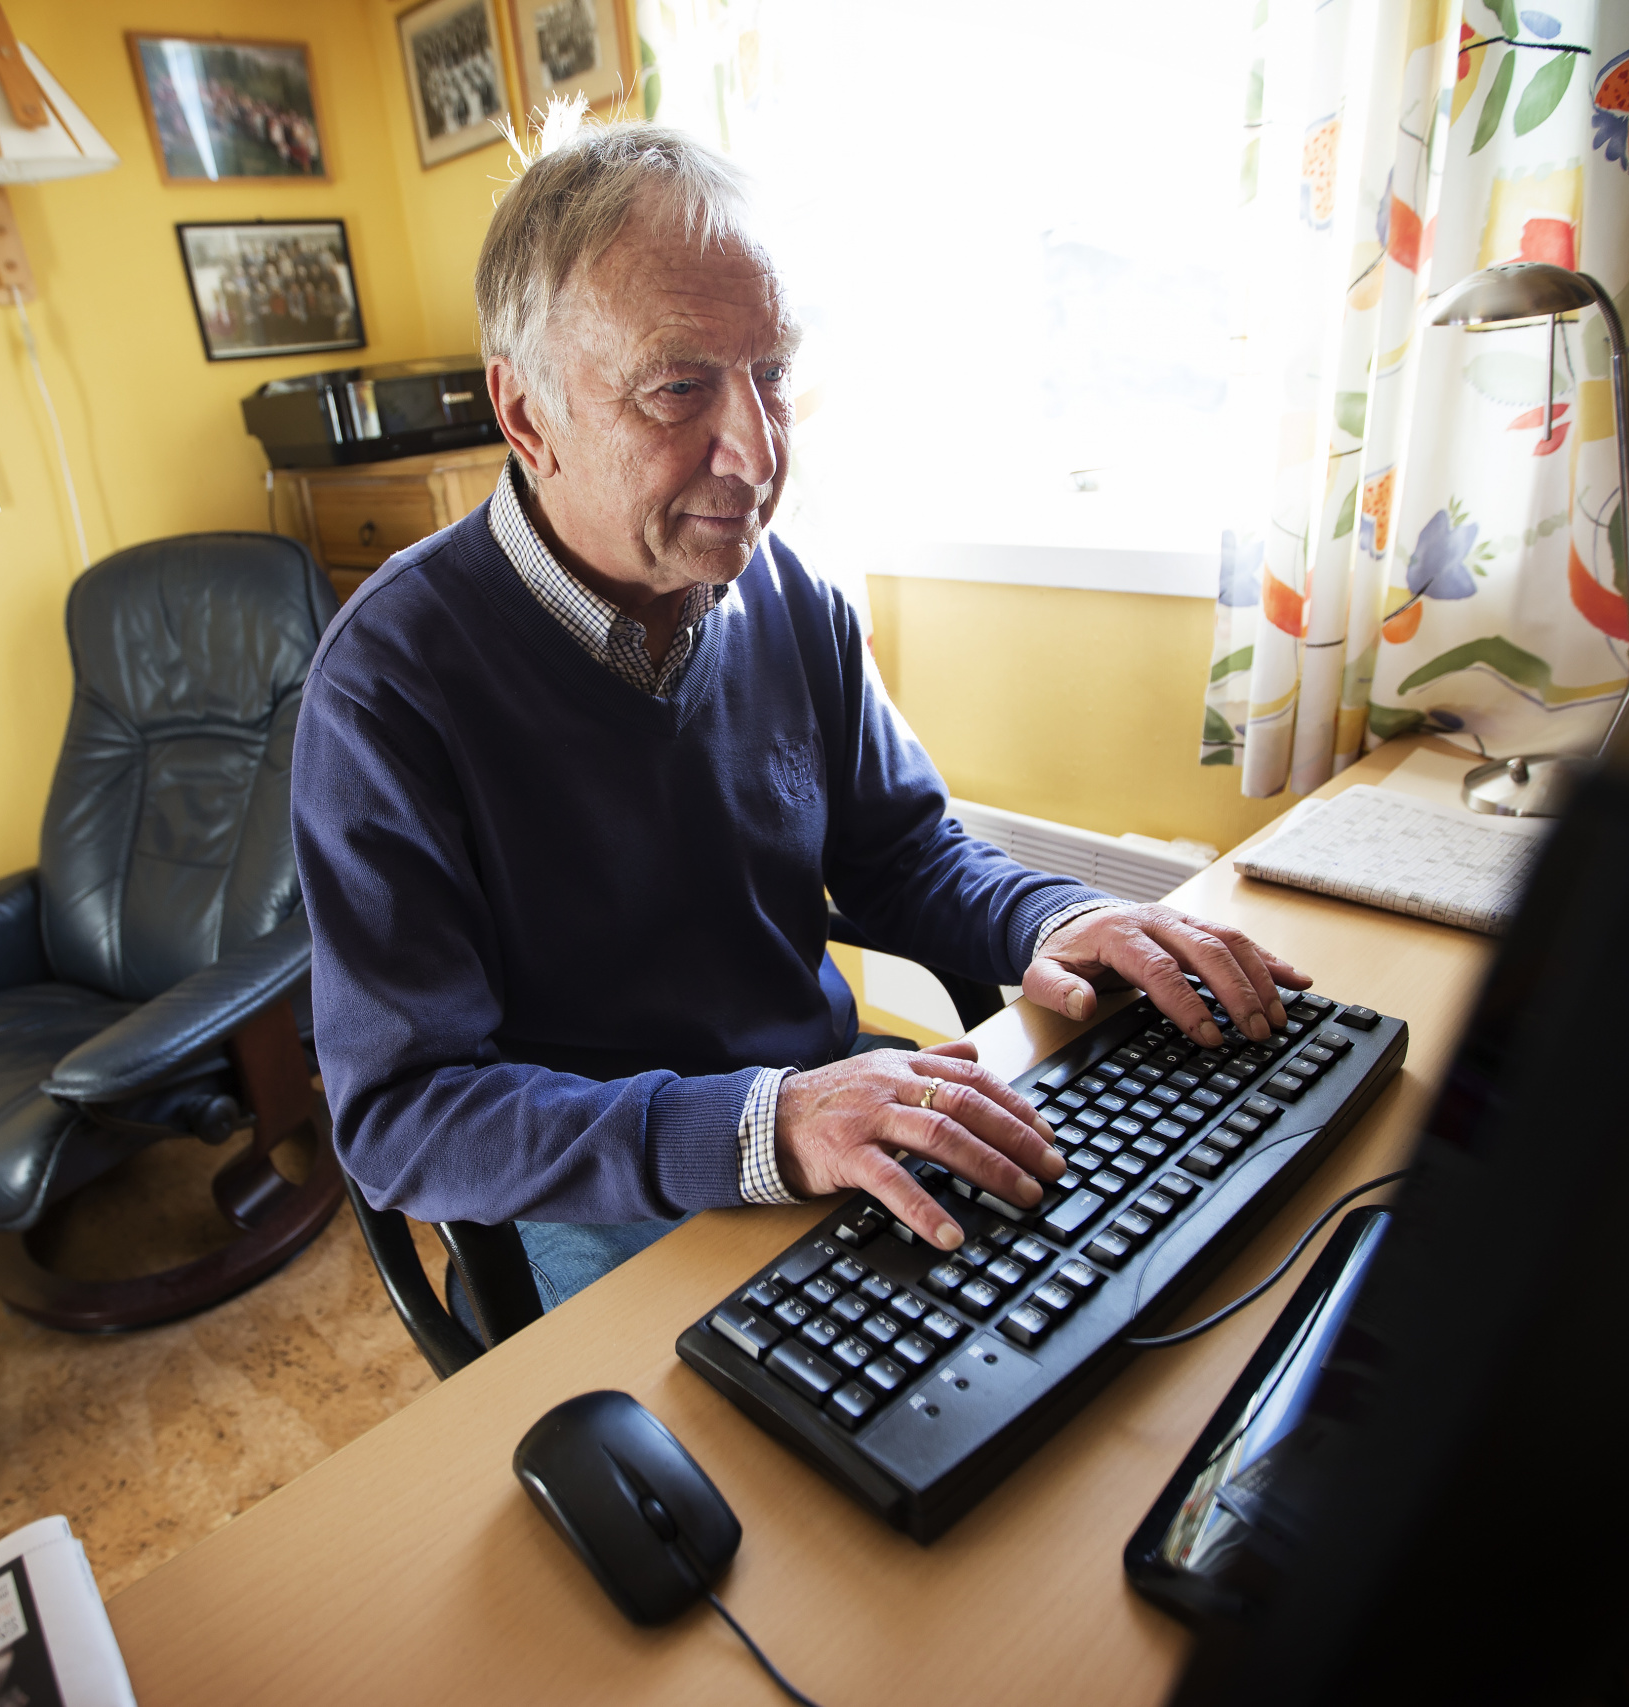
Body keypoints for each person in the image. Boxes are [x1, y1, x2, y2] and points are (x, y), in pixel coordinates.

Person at [290, 114, 1310, 1314]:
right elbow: (405, 1113)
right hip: (599, 1189)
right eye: (678, 388)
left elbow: (902, 855)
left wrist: (1055, 916)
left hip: (815, 1106)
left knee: (1123, 1294)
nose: (759, 453)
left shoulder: (788, 591)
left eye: (770, 374)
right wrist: (761, 1126)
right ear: (526, 417)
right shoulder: (386, 682)